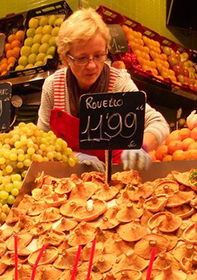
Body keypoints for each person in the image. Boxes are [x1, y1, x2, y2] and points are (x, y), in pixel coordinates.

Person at [37, 9, 169, 172]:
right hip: (68, 181)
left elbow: (158, 122)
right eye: (82, 58)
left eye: (99, 56)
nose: (92, 66)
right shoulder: (53, 86)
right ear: (66, 58)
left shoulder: (118, 83)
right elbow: (42, 141)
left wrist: (142, 145)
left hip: (114, 178)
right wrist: (74, 156)